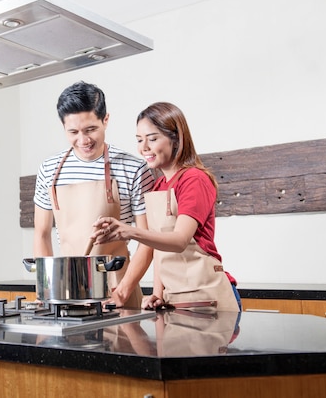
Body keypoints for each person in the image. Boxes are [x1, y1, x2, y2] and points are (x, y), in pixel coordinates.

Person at [91, 102, 241, 312]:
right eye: (139, 140)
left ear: (176, 138)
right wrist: (157, 293)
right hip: (174, 300)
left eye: (152, 139)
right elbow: (158, 248)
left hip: (207, 297)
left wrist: (128, 231)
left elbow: (179, 241)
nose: (144, 147)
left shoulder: (194, 179)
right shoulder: (159, 185)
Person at [32, 81, 155, 308]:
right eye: (73, 132)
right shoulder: (49, 170)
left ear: (105, 120)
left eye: (90, 130)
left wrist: (123, 291)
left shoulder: (134, 168)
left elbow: (148, 240)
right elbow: (41, 234)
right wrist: (47, 288)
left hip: (118, 289)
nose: (83, 140)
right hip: (66, 289)